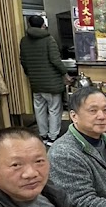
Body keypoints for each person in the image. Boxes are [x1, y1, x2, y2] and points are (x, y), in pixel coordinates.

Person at [19, 15, 69, 146]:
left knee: (39, 108)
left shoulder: (24, 41)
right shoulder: (48, 39)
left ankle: (43, 135)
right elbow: (55, 60)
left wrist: (30, 74)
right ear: (43, 25)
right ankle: (53, 137)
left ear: (29, 25)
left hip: (36, 82)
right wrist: (65, 74)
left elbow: (23, 61)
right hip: (51, 82)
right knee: (54, 109)